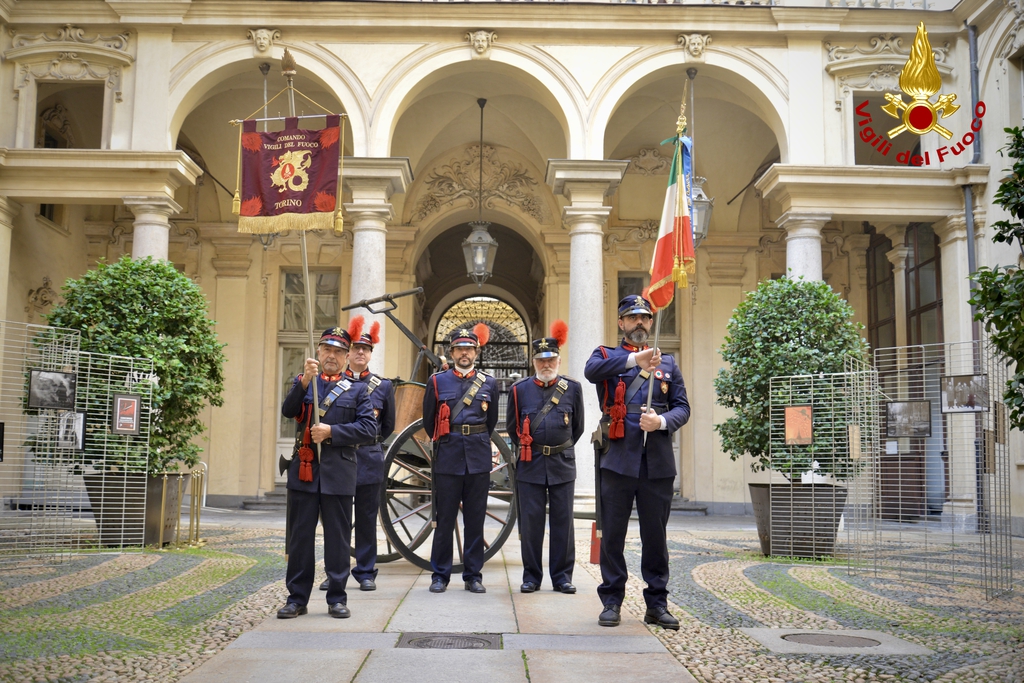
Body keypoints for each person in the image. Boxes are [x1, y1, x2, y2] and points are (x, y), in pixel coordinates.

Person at [584, 295, 690, 630]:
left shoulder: (669, 364)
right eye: (633, 318)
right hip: (617, 459)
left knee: (655, 538)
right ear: (622, 324)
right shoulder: (607, 356)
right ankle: (612, 601)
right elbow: (591, 373)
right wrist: (635, 362)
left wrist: (660, 422)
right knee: (612, 535)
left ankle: (657, 605)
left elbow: (683, 408)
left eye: (645, 317)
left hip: (656, 462)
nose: (640, 323)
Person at [277, 323, 376, 620]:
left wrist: (332, 431)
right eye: (327, 349)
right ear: (318, 351)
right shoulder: (305, 381)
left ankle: (336, 597)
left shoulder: (358, 391)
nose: (331, 355)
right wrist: (305, 381)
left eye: (338, 351)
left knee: (337, 539)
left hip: (339, 473)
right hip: (305, 471)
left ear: (346, 357)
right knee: (300, 539)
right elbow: (287, 410)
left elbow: (369, 428)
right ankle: (296, 598)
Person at [507, 320, 584, 594]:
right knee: (531, 523)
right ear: (533, 362)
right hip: (531, 464)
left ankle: (562, 577)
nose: (546, 364)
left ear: (559, 360)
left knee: (563, 522)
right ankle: (531, 577)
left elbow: (578, 428)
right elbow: (512, 428)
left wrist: (558, 446)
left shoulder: (572, 389)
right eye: (541, 360)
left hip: (562, 464)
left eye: (550, 359)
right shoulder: (519, 390)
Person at [422, 323, 499, 594]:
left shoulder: (489, 383)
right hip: (448, 456)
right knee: (444, 519)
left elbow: (490, 423)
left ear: (476, 352)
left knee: (475, 520)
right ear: (451, 352)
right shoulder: (437, 381)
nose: (464, 353)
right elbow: (429, 421)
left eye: (468, 348)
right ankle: (440, 575)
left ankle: (473, 575)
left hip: (477, 457)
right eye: (459, 349)